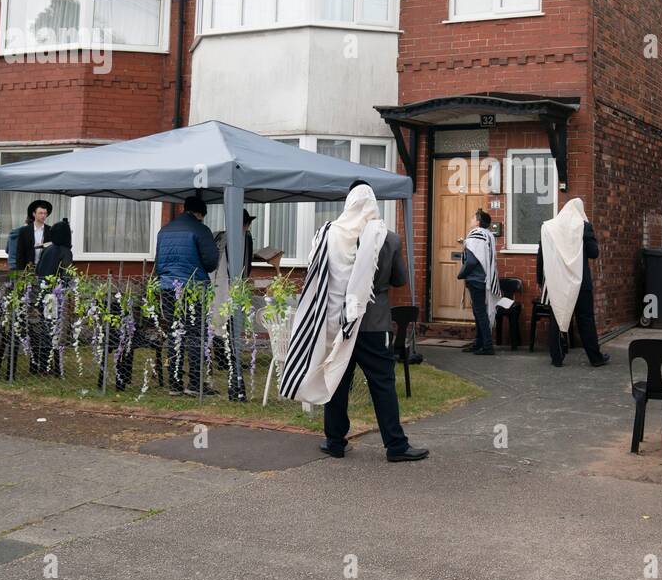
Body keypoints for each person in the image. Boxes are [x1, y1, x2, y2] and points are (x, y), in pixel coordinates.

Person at [279, 181, 429, 463]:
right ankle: (396, 445)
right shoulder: (389, 238)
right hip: (374, 322)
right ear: (373, 204)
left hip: (339, 323)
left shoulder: (329, 234)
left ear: (348, 204)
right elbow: (399, 279)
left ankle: (334, 441)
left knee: (337, 380)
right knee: (382, 383)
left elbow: (316, 270)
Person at [154, 196, 220, 396]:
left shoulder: (164, 230)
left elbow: (158, 264)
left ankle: (174, 383)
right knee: (195, 334)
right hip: (193, 288)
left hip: (167, 287)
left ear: (184, 208)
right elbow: (210, 263)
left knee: (175, 332)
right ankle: (195, 383)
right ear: (200, 213)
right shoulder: (201, 230)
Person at [537, 197, 610, 368]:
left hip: (556, 282)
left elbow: (541, 256)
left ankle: (557, 358)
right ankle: (595, 358)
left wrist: (540, 280)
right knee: (586, 319)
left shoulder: (548, 227)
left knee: (557, 317)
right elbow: (594, 253)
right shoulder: (584, 227)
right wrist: (589, 236)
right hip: (581, 282)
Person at [210, 208, 256, 401]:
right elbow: (247, 266)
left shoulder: (221, 237)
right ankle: (229, 365)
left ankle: (223, 360)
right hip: (229, 287)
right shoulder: (243, 239)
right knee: (228, 326)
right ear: (244, 224)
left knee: (221, 325)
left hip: (221, 286)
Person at [30, 219, 73, 375]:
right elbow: (67, 276)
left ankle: (41, 364)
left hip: (42, 293)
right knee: (52, 332)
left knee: (45, 329)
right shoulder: (65, 252)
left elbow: (38, 271)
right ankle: (47, 366)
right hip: (54, 295)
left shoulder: (47, 250)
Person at [458, 209, 500, 356]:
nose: (470, 220)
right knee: (479, 312)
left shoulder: (476, 235)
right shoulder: (487, 235)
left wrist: (461, 274)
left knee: (480, 313)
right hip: (483, 279)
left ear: (478, 221)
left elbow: (471, 261)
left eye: (473, 217)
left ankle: (487, 346)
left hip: (476, 280)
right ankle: (479, 343)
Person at [12, 199, 53, 272]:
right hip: (28, 269)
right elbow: (19, 253)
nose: (43, 215)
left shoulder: (51, 230)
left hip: (45, 268)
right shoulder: (24, 231)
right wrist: (21, 272)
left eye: (45, 213)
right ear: (34, 214)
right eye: (40, 213)